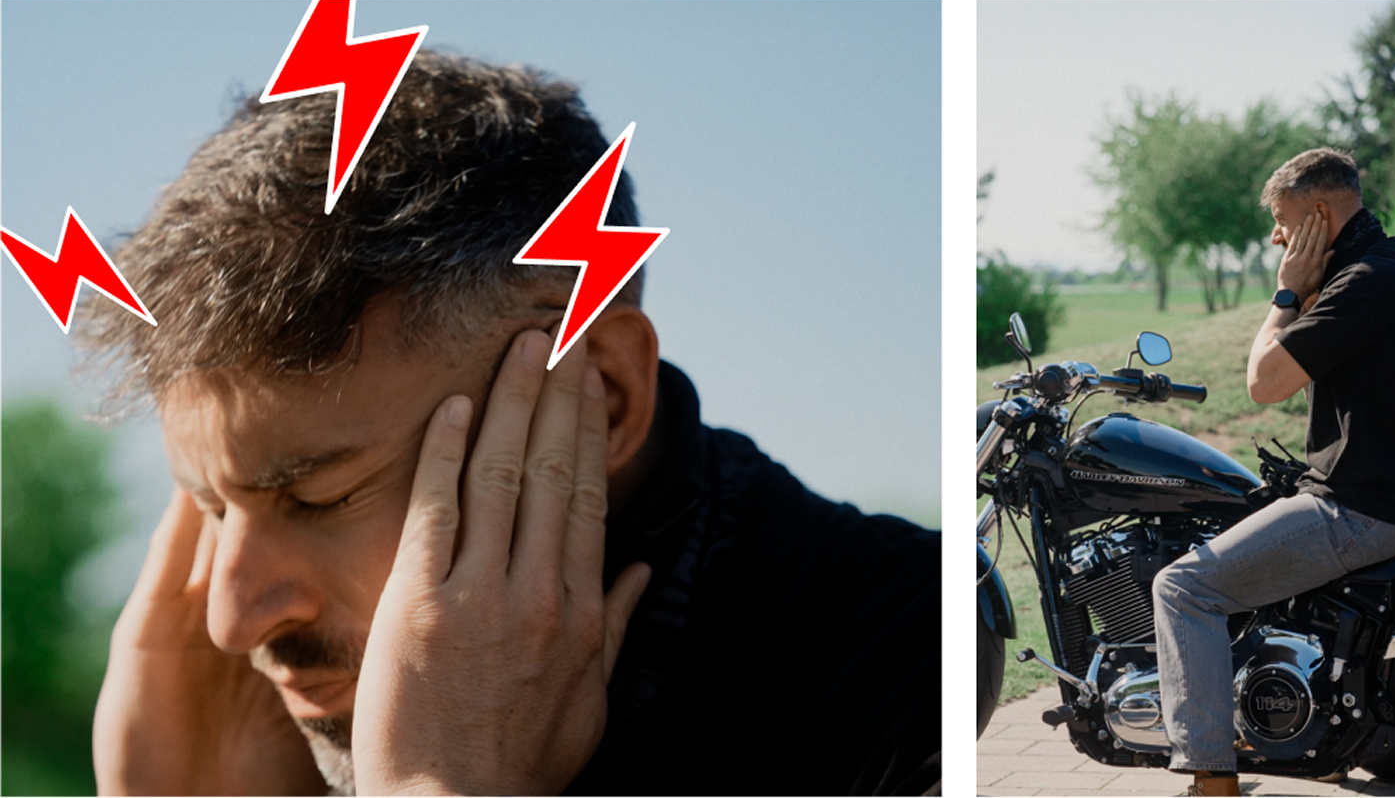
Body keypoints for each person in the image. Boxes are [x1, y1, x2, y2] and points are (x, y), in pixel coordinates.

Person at [84, 51, 941, 798]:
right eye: (212, 506)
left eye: (319, 494)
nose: (232, 619)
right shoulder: (251, 748)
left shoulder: (923, 694)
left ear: (602, 394)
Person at [1151, 148, 1395, 798]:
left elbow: (1263, 383)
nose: (1273, 237)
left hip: (1363, 509)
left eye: (1282, 220)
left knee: (1184, 587)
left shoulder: (1365, 282)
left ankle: (1210, 778)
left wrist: (1286, 287)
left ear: (1319, 212)